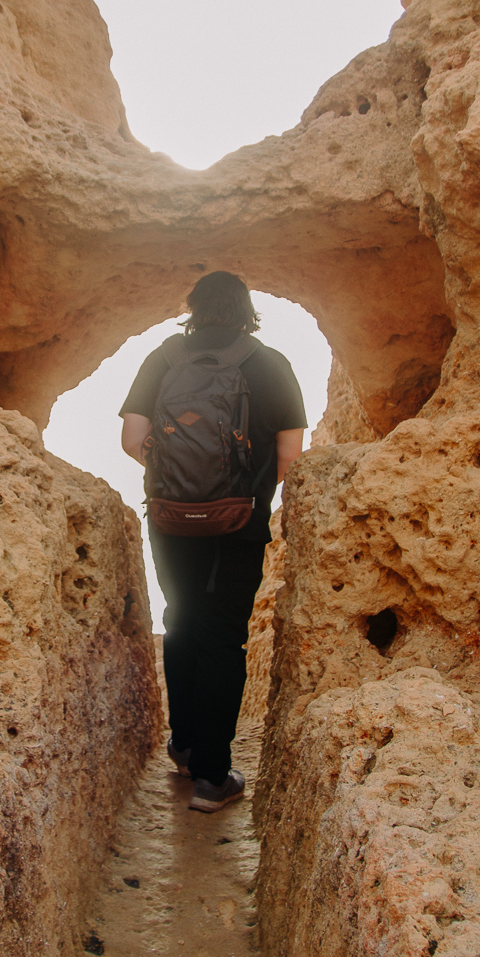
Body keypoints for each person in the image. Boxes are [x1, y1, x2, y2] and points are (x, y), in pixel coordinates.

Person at [120, 272, 306, 812]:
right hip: (239, 522)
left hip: (171, 519)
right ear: (247, 311)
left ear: (193, 308)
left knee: (181, 620)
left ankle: (183, 746)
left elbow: (133, 439)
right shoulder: (269, 363)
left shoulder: (163, 358)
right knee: (224, 636)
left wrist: (181, 486)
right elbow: (290, 454)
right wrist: (238, 495)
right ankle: (212, 777)